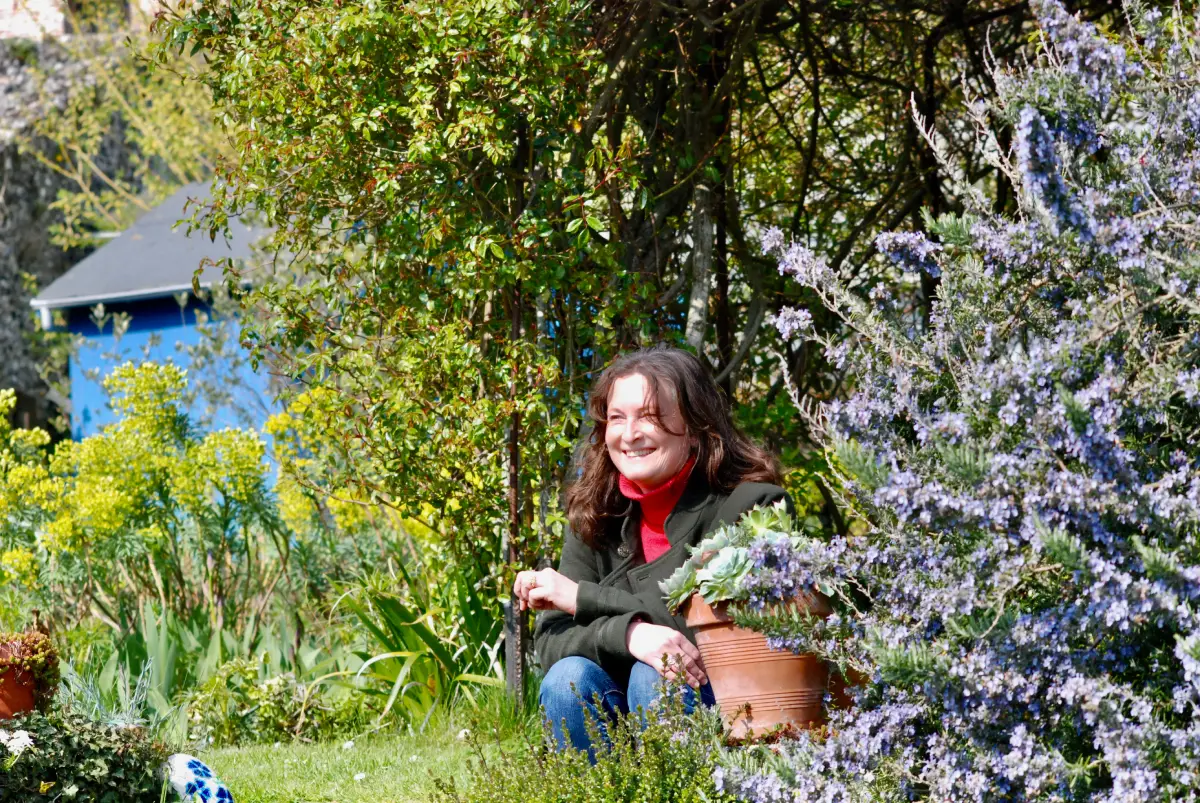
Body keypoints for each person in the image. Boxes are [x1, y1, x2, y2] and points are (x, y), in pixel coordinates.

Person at [512, 346, 792, 760]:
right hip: (619, 714)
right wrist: (629, 635)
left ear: (696, 426)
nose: (629, 434)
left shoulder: (751, 507)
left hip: (729, 710)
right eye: (617, 417)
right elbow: (552, 641)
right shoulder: (594, 516)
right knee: (566, 679)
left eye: (650, 416)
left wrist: (582, 598)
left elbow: (702, 619)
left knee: (657, 676)